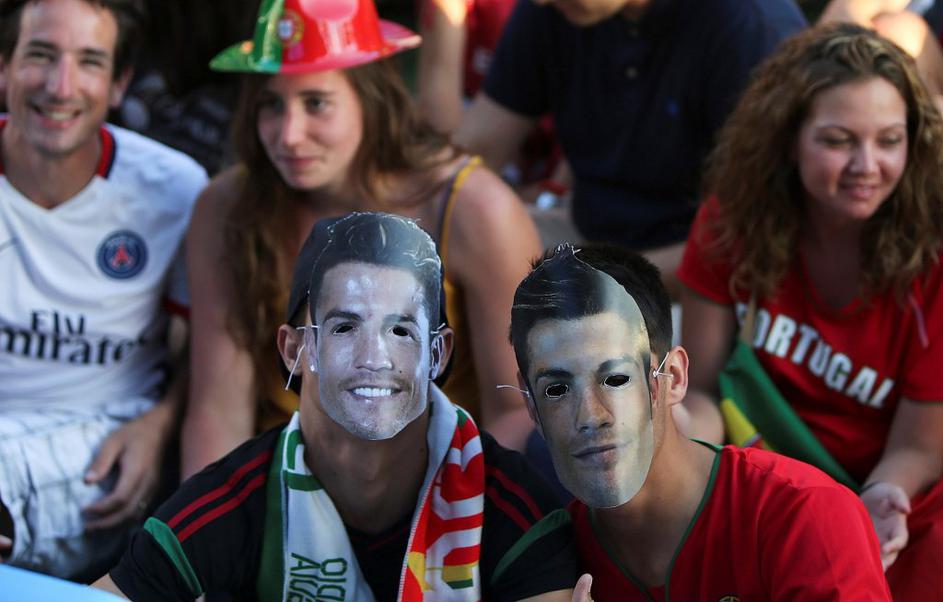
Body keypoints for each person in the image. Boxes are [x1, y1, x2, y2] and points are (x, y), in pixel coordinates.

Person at [96, 212, 575, 601]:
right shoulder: (234, 499)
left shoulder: (512, 505)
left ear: (438, 353)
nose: (374, 358)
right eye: (345, 328)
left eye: (401, 330)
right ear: (295, 350)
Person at [180, 0, 541, 479]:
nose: (289, 135)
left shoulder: (472, 206)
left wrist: (453, 513)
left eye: (316, 103)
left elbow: (517, 410)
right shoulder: (226, 206)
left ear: (372, 97)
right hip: (281, 488)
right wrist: (209, 523)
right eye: (271, 104)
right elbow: (218, 411)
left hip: (444, 485)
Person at [678, 23, 943, 599]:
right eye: (839, 140)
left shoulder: (934, 257)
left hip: (893, 501)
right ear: (787, 138)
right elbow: (701, 390)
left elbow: (919, 446)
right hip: (762, 480)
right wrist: (673, 441)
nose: (866, 165)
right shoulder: (731, 222)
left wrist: (877, 499)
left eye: (889, 140)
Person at [503, 243, 892, 600]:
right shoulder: (545, 565)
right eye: (557, 389)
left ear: (673, 377)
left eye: (617, 379)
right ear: (530, 403)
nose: (590, 416)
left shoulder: (805, 513)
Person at [0, 0, 206, 579]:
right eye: (40, 55)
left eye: (89, 62)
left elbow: (215, 349)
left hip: (101, 443)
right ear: (3, 68)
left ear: (119, 84)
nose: (60, 86)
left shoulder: (172, 189)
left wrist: (160, 423)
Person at [455, 0, 806, 296]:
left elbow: (759, 240)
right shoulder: (555, 10)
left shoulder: (750, 27)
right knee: (450, 255)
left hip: (699, 280)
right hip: (585, 238)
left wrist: (598, 284)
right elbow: (474, 153)